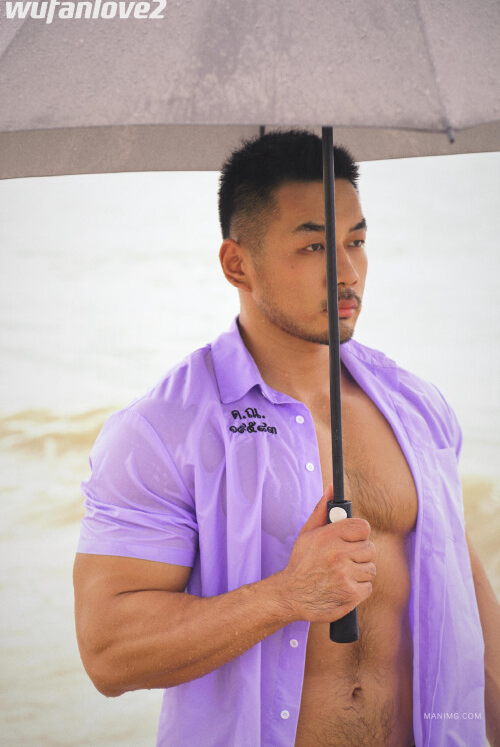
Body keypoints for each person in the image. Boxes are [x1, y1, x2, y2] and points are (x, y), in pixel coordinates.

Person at [74, 130, 499, 747]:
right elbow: (110, 654)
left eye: (356, 242)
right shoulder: (162, 432)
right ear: (237, 265)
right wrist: (286, 597)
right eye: (315, 246)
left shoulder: (416, 407)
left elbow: (461, 583)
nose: (348, 273)